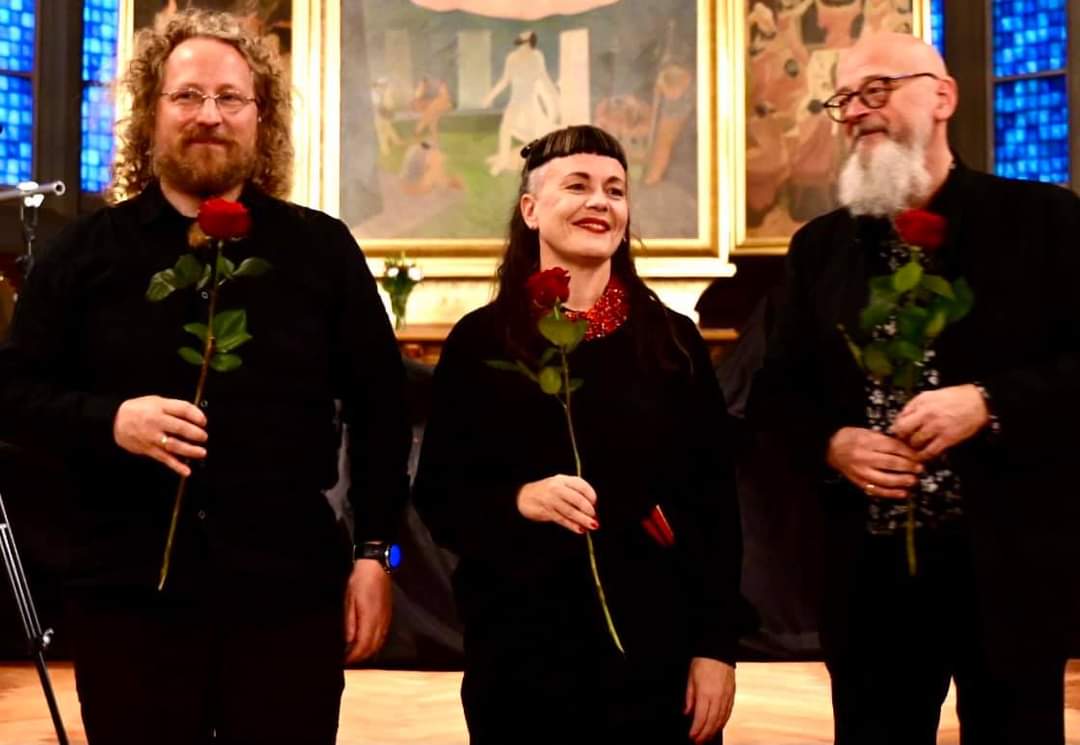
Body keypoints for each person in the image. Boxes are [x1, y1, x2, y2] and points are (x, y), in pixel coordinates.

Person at [0, 10, 411, 745]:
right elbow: (13, 395)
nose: (209, 116)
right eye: (187, 96)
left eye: (229, 98)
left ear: (261, 117)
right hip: (126, 595)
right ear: (151, 113)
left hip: (287, 593)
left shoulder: (321, 249)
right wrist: (112, 420)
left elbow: (381, 408)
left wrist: (376, 554)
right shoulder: (82, 254)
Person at [748, 31, 1080, 745]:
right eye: (843, 99)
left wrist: (988, 402)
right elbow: (775, 393)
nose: (856, 111)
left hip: (1009, 567)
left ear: (943, 97)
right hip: (871, 581)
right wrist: (833, 442)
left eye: (877, 90)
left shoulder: (1046, 219)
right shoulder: (820, 246)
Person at [413, 125, 745, 744]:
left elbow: (716, 507)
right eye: (578, 185)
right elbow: (439, 495)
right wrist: (519, 499)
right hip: (521, 654)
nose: (600, 201)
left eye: (615, 190)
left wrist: (716, 648)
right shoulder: (480, 341)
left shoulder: (673, 342)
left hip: (658, 654)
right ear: (530, 210)